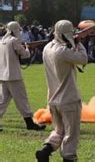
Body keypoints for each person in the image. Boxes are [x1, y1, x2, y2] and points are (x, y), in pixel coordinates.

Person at [35, 20, 88, 162]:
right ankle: (69, 158)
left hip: (53, 99)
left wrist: (72, 42)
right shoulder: (63, 51)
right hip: (68, 99)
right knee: (71, 134)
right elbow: (83, 59)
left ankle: (45, 151)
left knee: (59, 131)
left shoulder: (47, 48)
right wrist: (78, 43)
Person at [0, 21, 46, 132]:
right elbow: (25, 54)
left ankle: (30, 123)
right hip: (14, 76)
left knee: (2, 101)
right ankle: (30, 123)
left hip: (3, 75)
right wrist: (27, 48)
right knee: (22, 100)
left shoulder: (2, 41)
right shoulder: (14, 41)